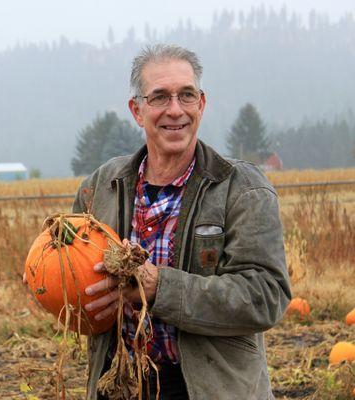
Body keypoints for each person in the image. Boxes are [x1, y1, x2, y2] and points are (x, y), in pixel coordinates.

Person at [72, 44, 291, 400]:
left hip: (207, 389)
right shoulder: (102, 187)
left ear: (201, 104)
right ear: (137, 110)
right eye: (159, 97)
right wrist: (51, 281)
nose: (176, 110)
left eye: (186, 95)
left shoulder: (242, 190)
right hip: (120, 384)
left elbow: (265, 296)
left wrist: (160, 287)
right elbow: (75, 273)